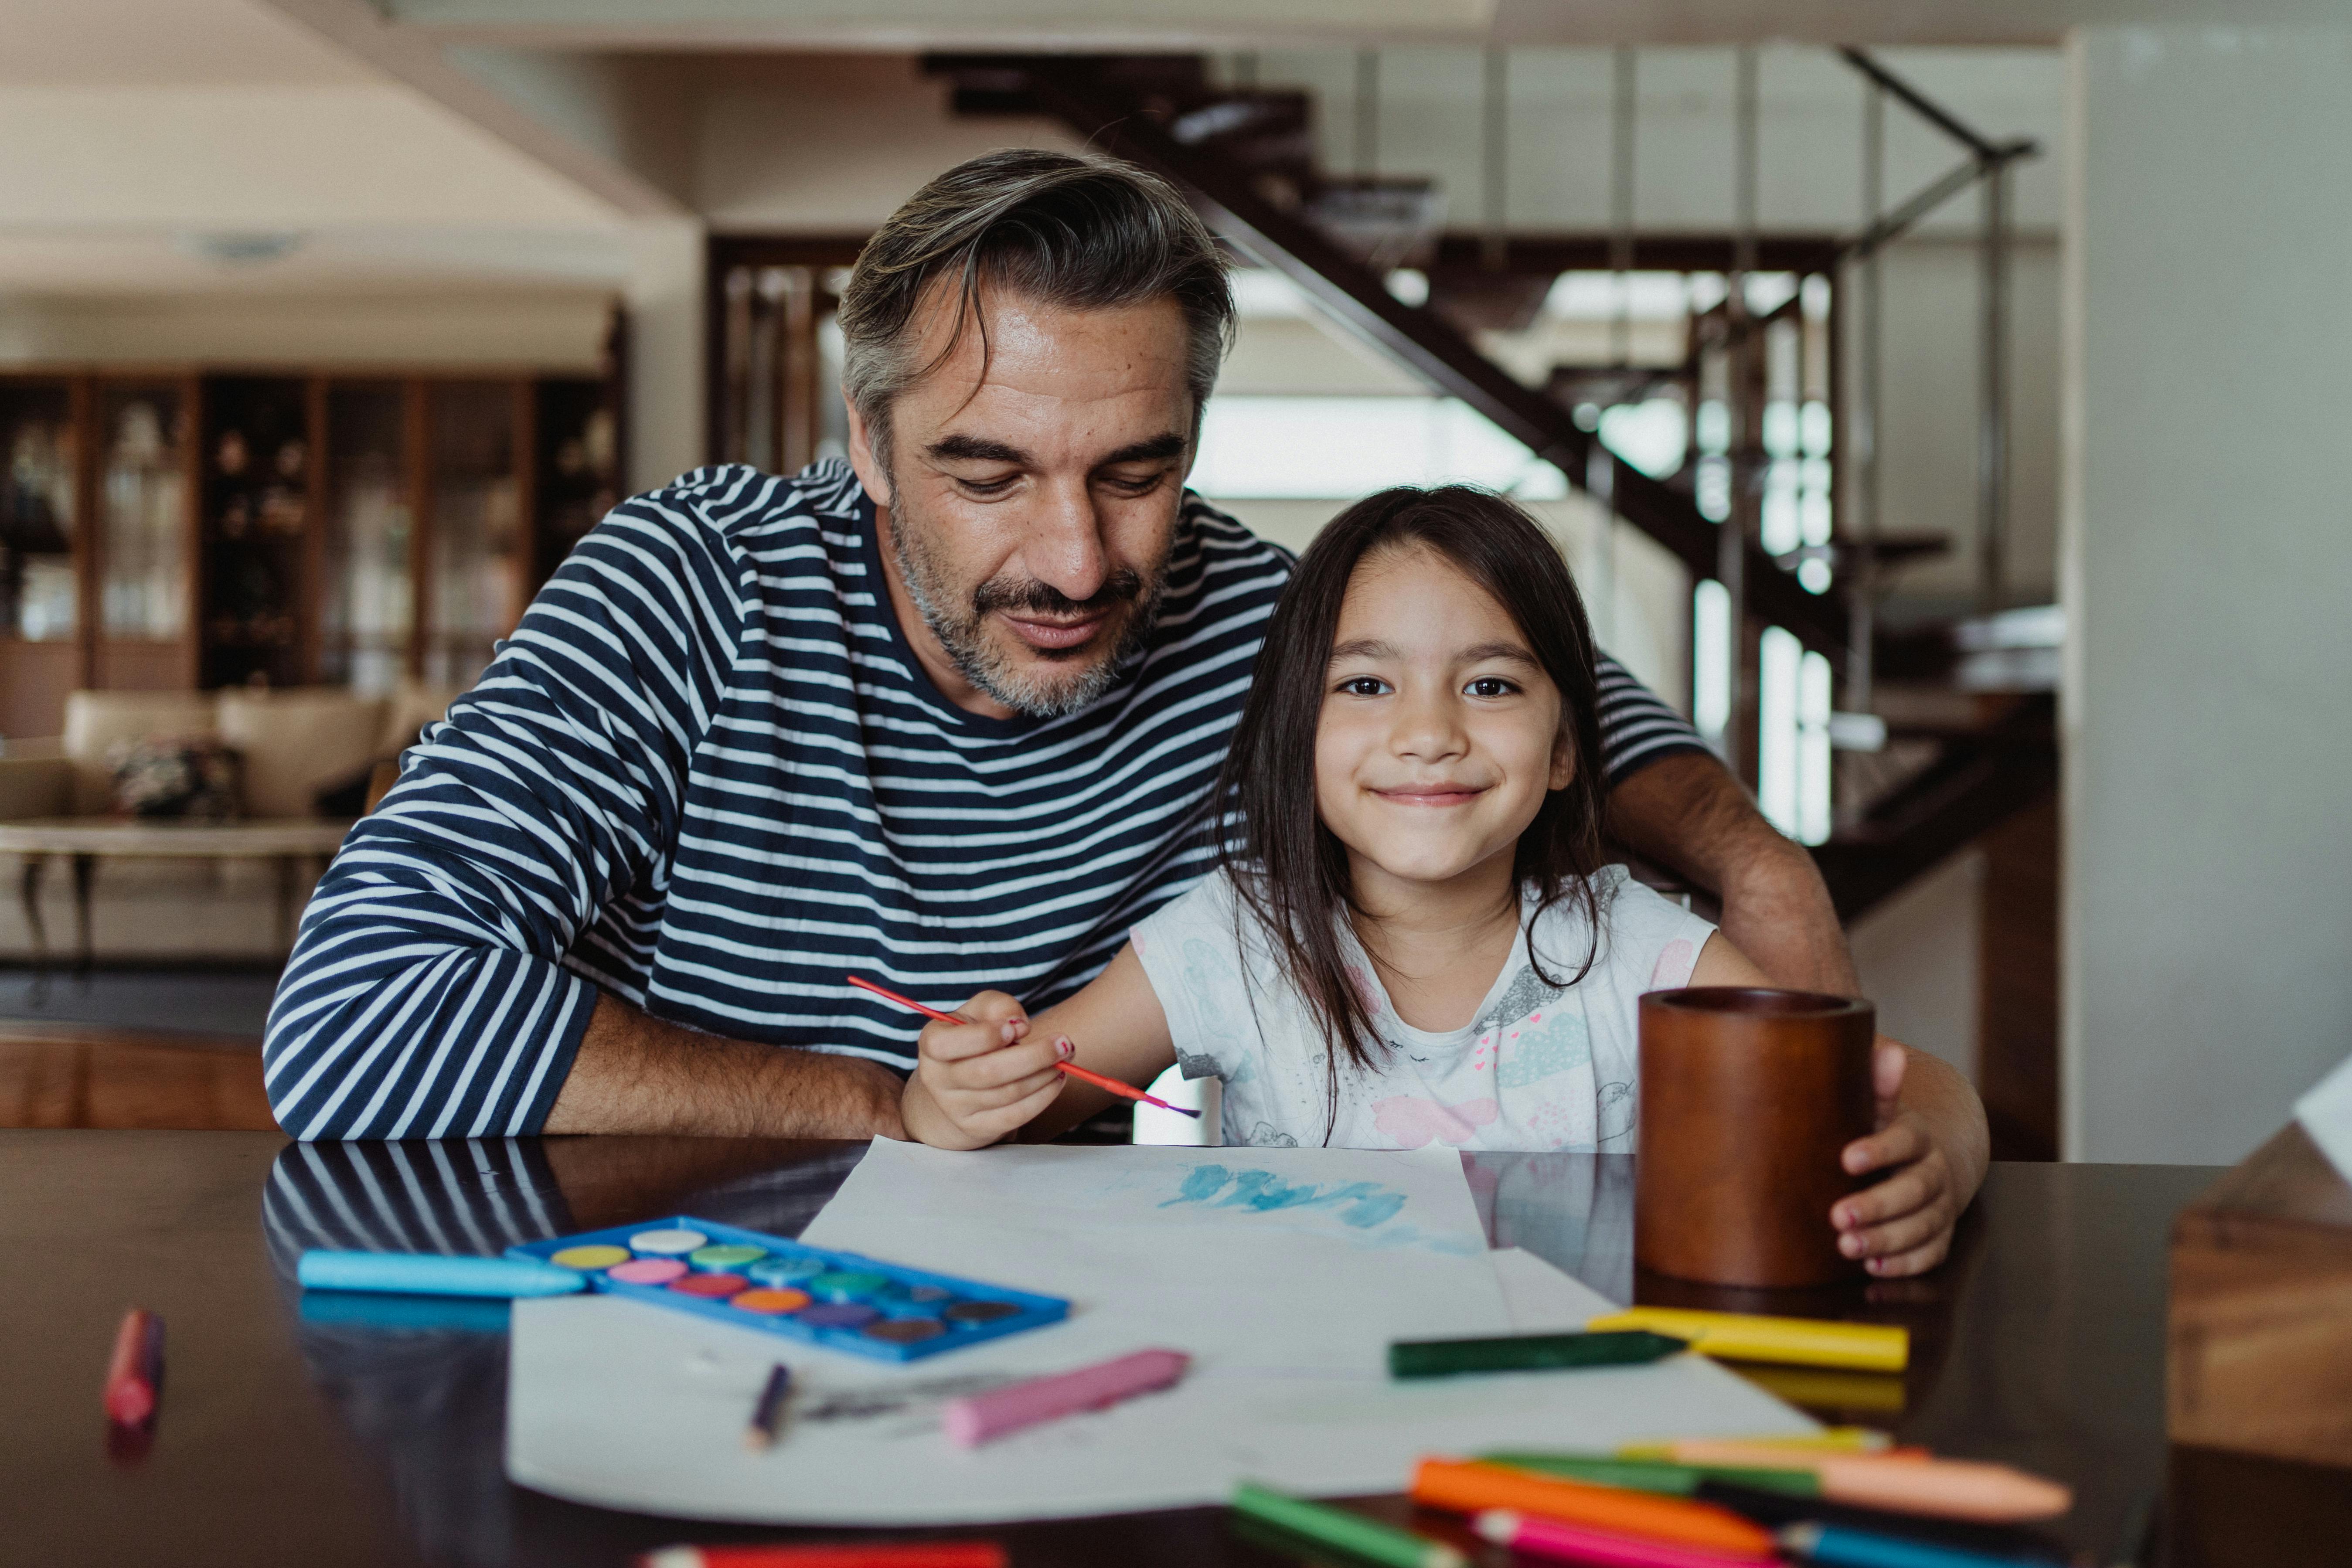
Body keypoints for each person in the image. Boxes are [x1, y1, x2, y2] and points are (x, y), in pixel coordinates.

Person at [264, 148, 1858, 1151]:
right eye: (986, 472)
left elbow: (1530, 684)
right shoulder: (691, 583)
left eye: (1135, 470)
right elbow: (354, 1019)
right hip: (680, 1275)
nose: (1079, 561)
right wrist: (864, 1100)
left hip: (1067, 1314)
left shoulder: (1250, 616)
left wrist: (1756, 859)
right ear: (869, 447)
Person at [903, 487, 1988, 1276]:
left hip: (1564, 1414)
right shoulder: (1234, 935)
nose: (1428, 733)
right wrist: (952, 1092)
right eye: (1367, 683)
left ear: (1567, 751)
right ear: (1298, 738)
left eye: (1491, 683)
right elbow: (1024, 1102)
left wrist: (1936, 1146)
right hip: (1301, 1397)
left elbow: (1909, 1086)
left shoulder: (1643, 949)